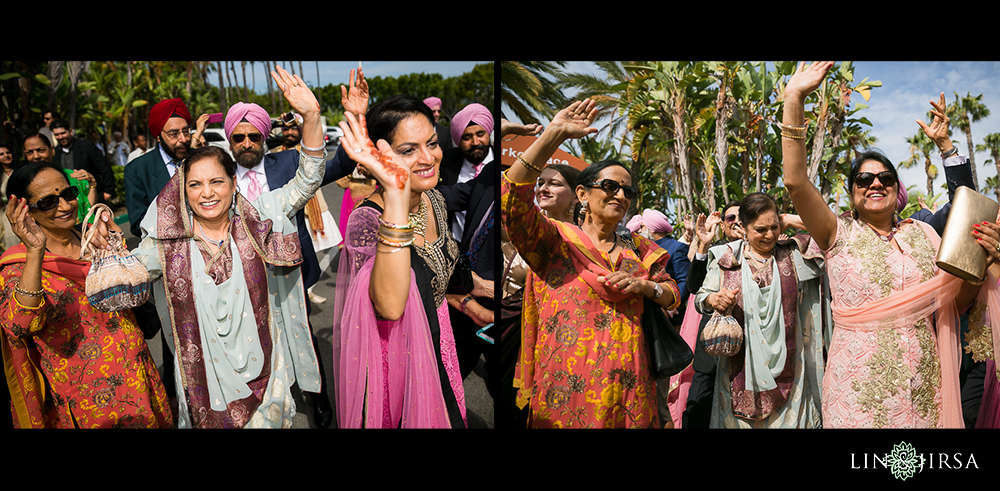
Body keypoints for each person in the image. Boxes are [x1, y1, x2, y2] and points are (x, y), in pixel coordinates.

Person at [781, 61, 1000, 428]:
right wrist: (794, 97)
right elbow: (796, 182)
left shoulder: (923, 234)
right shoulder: (836, 233)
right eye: (864, 178)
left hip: (923, 384)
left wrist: (979, 265)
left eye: (885, 177)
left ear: (897, 188)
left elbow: (955, 302)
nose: (875, 183)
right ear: (852, 194)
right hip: (858, 386)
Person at [117, 66, 329, 428]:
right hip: (204, 387)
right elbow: (116, 288)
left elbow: (308, 178)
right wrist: (98, 241)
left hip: (266, 371)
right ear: (182, 190)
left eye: (217, 181)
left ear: (234, 183)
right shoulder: (166, 244)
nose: (207, 193)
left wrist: (311, 117)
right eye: (195, 184)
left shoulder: (258, 219)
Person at [503, 99, 681, 428]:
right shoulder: (554, 240)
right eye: (610, 186)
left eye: (627, 190)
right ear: (582, 195)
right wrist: (552, 134)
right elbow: (512, 201)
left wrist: (646, 286)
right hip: (565, 390)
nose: (620, 195)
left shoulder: (639, 247)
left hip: (630, 390)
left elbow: (671, 294)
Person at [332, 94, 481, 429]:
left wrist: (475, 303)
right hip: (399, 359)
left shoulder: (434, 200)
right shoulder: (367, 222)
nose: (428, 157)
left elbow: (438, 278)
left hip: (439, 339)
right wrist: (396, 193)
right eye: (408, 150)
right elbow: (390, 305)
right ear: (380, 156)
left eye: (431, 143)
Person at [1, 161, 173, 428]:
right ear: (26, 211)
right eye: (48, 202)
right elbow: (21, 324)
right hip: (85, 400)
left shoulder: (96, 240)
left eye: (68, 194)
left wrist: (118, 250)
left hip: (137, 378)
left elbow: (136, 293)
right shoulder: (19, 266)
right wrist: (35, 250)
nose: (65, 206)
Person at [693, 192, 827, 428]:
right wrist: (714, 299)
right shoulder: (726, 257)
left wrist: (791, 219)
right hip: (738, 370)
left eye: (774, 227)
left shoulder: (792, 255)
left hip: (790, 368)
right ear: (742, 227)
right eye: (760, 229)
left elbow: (830, 236)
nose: (769, 235)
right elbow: (700, 298)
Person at [681, 203, 741, 428]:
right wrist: (703, 245)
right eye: (731, 217)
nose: (736, 221)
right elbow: (694, 285)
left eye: (743, 216)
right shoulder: (715, 249)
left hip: (747, 353)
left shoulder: (764, 252)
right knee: (698, 406)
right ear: (724, 225)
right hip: (712, 346)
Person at [439, 103, 493, 242]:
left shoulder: (501, 165)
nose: (475, 142)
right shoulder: (447, 162)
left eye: (480, 134)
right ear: (458, 140)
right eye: (467, 137)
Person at [50, 119, 115, 204]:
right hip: (69, 200)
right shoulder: (55, 153)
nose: (60, 137)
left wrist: (108, 191)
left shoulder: (86, 146)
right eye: (56, 135)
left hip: (92, 195)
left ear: (70, 131)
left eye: (63, 133)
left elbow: (104, 167)